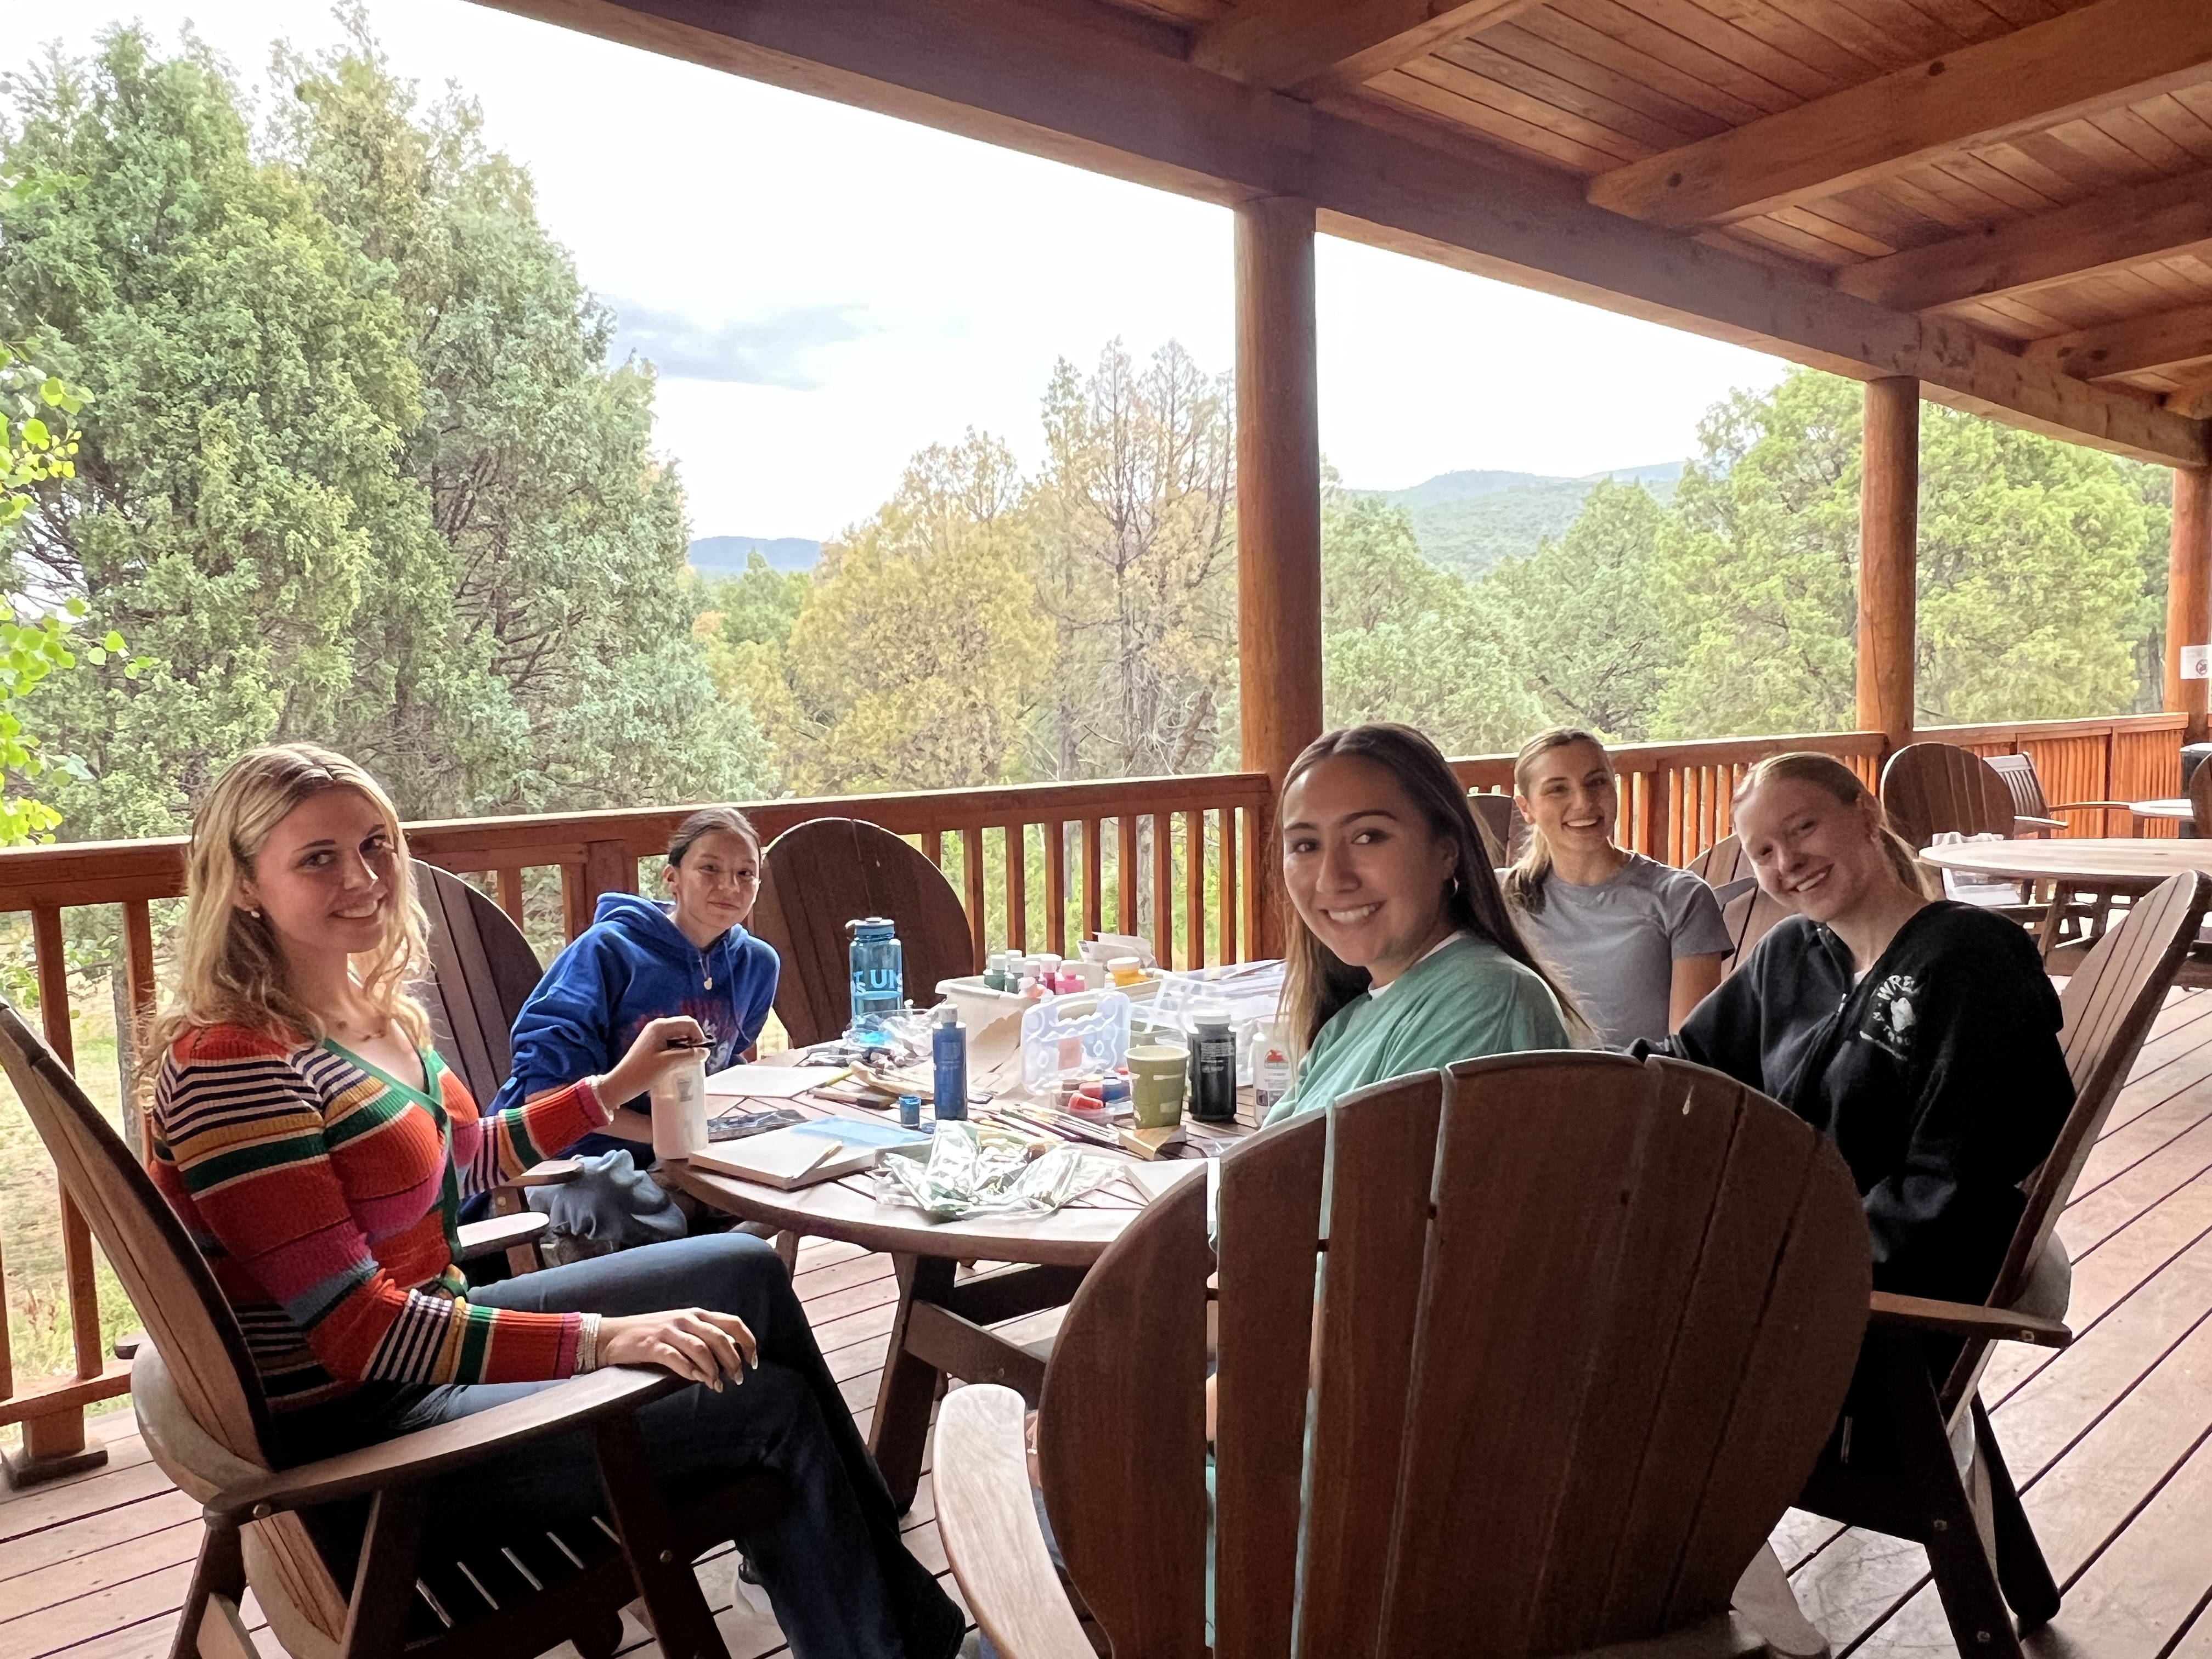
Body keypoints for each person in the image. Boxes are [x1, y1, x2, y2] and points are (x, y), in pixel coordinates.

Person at [145, 743, 962, 1659]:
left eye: (377, 844)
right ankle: (884, 1636)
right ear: (245, 883)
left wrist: (614, 1085)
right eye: (318, 856)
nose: (366, 876)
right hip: (373, 1452)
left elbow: (467, 1159)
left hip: (427, 1347)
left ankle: (892, 1621)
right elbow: (361, 1332)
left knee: (744, 1268)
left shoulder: (362, 1015)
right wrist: (603, 1338)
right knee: (766, 1406)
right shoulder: (237, 1066)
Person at [1644, 752, 2074, 1308]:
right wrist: (1566, 1089)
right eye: (1764, 852)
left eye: (1804, 828)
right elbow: (1687, 1065)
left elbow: (1956, 1181)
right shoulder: (1792, 952)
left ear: (1866, 814)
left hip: (1893, 1289)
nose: (1789, 861)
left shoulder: (1968, 959)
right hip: (1792, 1247)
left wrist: (1801, 1265)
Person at [1266, 723, 1574, 1128]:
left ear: (1447, 851)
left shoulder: (1487, 999)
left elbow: (1376, 1186)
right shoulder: (1347, 1023)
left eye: (1368, 837)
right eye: (1306, 846)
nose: (1331, 878)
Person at [493, 806, 780, 1154]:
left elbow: (722, 1064)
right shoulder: (607, 952)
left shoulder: (757, 965)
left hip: (676, 1152)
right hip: (574, 1158)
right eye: (709, 868)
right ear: (672, 877)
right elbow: (544, 1094)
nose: (729, 886)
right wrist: (677, 1137)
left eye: (745, 873)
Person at [1505, 729, 1733, 1048]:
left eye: (1596, 782)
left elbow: (1689, 1052)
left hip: (1640, 1091)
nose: (1584, 802)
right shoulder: (1502, 897)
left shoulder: (1680, 897)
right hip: (1524, 1089)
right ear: (1526, 808)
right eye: (1558, 789)